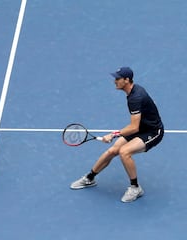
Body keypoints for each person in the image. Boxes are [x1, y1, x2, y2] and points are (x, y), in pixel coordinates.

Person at [70, 67, 164, 203]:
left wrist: (113, 134)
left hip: (153, 132)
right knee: (112, 150)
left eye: (117, 79)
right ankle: (89, 178)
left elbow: (133, 127)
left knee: (124, 152)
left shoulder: (135, 98)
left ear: (126, 80)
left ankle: (135, 188)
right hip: (142, 128)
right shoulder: (134, 91)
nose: (115, 81)